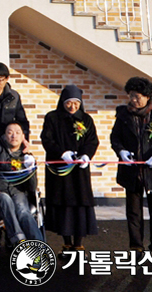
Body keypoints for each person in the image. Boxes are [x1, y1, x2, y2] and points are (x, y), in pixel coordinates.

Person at [110, 77, 152, 257]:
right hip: (132, 171)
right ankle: (136, 247)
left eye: (137, 96)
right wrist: (121, 152)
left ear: (147, 97)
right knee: (133, 212)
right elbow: (115, 139)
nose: (134, 100)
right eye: (131, 96)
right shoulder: (123, 115)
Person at [40, 84, 99, 257]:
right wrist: (61, 153)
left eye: (76, 103)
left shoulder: (86, 119)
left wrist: (86, 155)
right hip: (59, 170)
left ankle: (79, 244)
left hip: (79, 171)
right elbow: (47, 139)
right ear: (62, 102)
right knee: (63, 205)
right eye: (68, 103)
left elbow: (92, 140)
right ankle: (66, 244)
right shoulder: (52, 118)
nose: (72, 106)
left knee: (80, 204)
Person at [0, 121, 44, 245]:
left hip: (18, 190)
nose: (13, 136)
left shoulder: (26, 155)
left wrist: (31, 167)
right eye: (10, 133)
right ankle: (19, 240)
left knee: (23, 210)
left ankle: (38, 243)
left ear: (23, 137)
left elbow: (32, 185)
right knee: (5, 200)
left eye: (17, 133)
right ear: (4, 135)